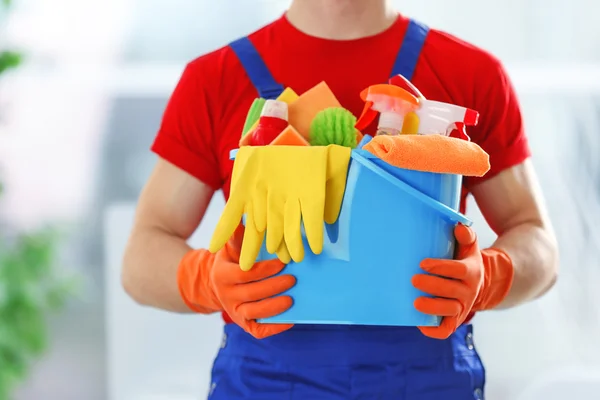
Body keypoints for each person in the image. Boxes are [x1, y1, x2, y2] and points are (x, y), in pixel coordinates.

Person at [122, 0, 559, 398]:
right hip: (263, 382)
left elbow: (537, 241)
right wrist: (207, 281)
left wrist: (491, 277)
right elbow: (141, 259)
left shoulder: (471, 73)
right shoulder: (215, 80)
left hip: (429, 381)